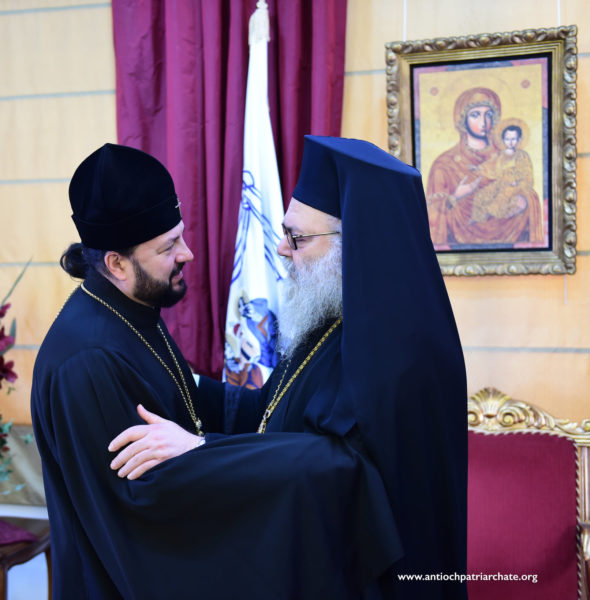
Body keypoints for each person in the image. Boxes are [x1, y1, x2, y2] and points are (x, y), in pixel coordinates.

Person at [31, 142, 402, 600]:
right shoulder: (87, 362)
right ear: (116, 263)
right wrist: (205, 451)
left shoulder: (133, 309)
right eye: (168, 246)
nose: (187, 253)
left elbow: (183, 403)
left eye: (181, 236)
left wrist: (205, 439)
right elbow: (140, 512)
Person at [110, 136, 468, 599]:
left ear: (355, 245)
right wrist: (183, 381)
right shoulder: (332, 318)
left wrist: (201, 450)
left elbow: (344, 469)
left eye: (297, 237)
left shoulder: (407, 348)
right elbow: (271, 411)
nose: (281, 249)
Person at [426, 87, 542, 247]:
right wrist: (456, 196)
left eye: (488, 114)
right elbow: (429, 213)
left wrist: (524, 200)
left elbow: (528, 188)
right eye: (475, 115)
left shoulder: (510, 156)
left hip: (511, 244)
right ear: (462, 119)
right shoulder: (445, 164)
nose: (484, 122)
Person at [469, 121, 543, 243]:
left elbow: (527, 174)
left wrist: (517, 182)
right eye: (507, 139)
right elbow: (490, 166)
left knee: (502, 199)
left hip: (515, 185)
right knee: (482, 194)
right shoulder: (500, 155)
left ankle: (493, 216)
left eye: (513, 139)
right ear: (503, 140)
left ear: (519, 140)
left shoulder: (522, 156)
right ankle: (478, 220)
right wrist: (478, 168)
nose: (510, 142)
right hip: (500, 183)